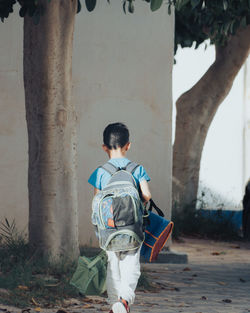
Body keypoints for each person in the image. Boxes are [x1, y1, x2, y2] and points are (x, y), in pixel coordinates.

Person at [88, 122, 151, 313]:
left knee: (112, 266)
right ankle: (124, 301)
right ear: (128, 145)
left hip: (108, 228)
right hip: (132, 226)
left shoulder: (100, 172)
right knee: (131, 264)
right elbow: (146, 195)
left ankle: (114, 302)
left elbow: (97, 200)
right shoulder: (137, 169)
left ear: (104, 147)